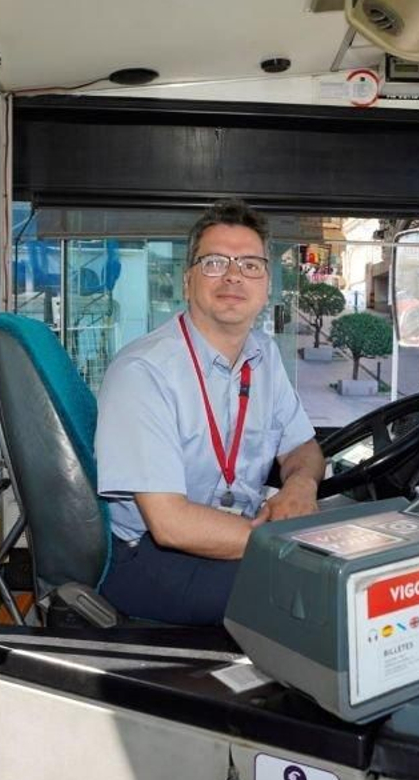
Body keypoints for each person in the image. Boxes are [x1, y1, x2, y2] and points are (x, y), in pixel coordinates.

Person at [94, 198, 324, 624]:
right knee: (317, 598)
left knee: (341, 573)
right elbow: (170, 525)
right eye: (215, 262)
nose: (234, 275)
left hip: (234, 530)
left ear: (267, 285)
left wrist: (301, 486)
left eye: (250, 265)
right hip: (148, 556)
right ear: (187, 282)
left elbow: (304, 448)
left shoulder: (264, 355)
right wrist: (281, 540)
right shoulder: (143, 372)